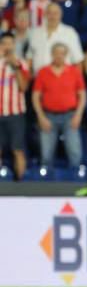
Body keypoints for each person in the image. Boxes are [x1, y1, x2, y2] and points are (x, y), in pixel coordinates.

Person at [32, 43, 87, 168]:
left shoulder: (74, 72)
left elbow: (82, 95)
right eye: (56, 53)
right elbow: (35, 97)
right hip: (48, 116)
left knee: (75, 152)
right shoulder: (43, 72)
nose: (59, 56)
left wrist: (78, 115)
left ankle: (75, 181)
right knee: (46, 154)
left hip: (70, 115)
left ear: (66, 55)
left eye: (62, 53)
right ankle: (46, 182)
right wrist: (41, 117)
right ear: (52, 54)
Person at [0, 32, 31, 181]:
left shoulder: (21, 63)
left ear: (14, 45)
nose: (7, 47)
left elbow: (24, 87)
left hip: (16, 113)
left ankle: (20, 183)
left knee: (18, 150)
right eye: (4, 43)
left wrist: (16, 68)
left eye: (10, 43)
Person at [27, 3, 85, 74]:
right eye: (49, 13)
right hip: (39, 80)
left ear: (61, 15)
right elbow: (29, 57)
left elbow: (78, 61)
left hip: (63, 81)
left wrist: (78, 83)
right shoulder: (36, 33)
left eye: (55, 13)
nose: (52, 16)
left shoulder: (70, 33)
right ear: (44, 14)